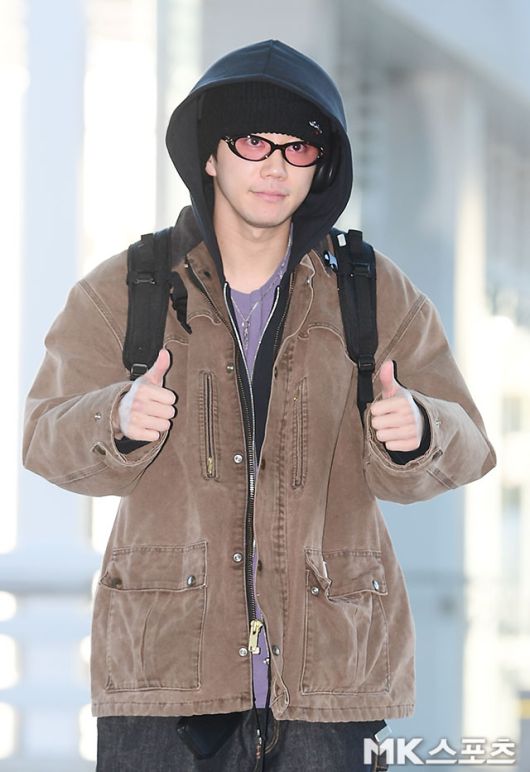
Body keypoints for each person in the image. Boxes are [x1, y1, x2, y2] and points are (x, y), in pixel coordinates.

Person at [23, 39, 496, 771]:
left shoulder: (370, 289)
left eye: (297, 149)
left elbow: (471, 441)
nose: (275, 167)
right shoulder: (131, 286)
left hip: (329, 684)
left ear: (321, 166)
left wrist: (421, 430)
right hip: (164, 682)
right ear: (212, 156)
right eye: (253, 142)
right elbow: (42, 436)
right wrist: (114, 419)